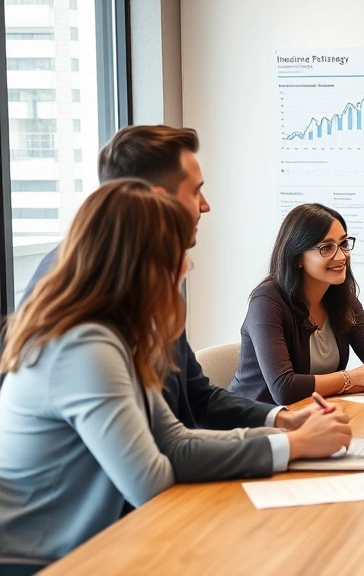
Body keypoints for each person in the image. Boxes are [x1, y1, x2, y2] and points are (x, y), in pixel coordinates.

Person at [0, 180, 352, 563]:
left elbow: (174, 441)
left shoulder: (121, 334)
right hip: (42, 560)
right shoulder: (83, 349)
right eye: (176, 253)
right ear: (135, 261)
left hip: (94, 538)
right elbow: (150, 481)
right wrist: (295, 445)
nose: (187, 265)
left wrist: (287, 430)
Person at [19, 126, 316, 437]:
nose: (205, 205)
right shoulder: (81, 288)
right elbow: (151, 449)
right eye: (195, 191)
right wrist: (286, 446)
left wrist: (281, 420)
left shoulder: (152, 276)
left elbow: (196, 396)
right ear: (156, 200)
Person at [229, 203, 364, 405]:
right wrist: (352, 378)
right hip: (252, 423)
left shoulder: (342, 298)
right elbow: (284, 389)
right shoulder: (267, 301)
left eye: (343, 244)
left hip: (309, 416)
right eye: (326, 248)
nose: (342, 256)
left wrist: (351, 382)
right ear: (297, 257)